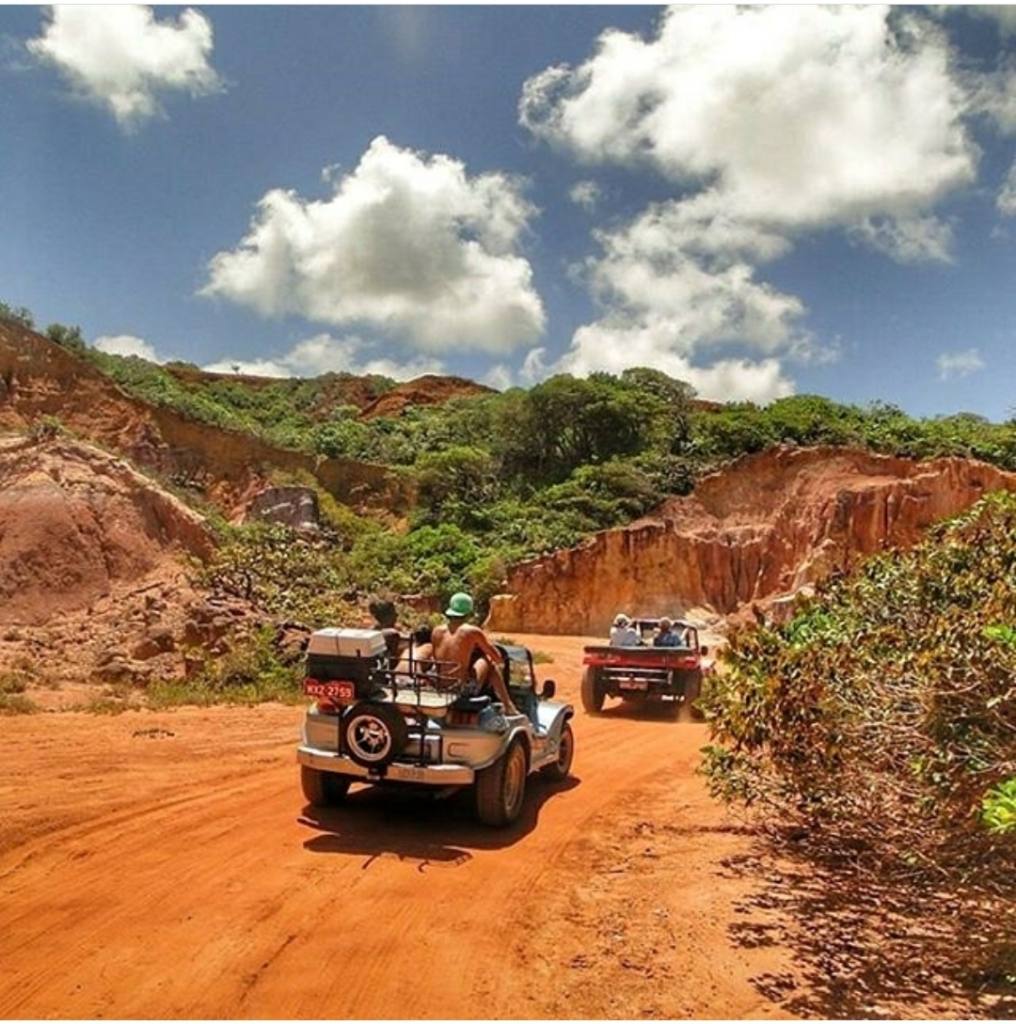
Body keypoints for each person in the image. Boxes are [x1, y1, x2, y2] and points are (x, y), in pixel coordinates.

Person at [429, 592, 517, 713]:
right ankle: (508, 705)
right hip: (461, 690)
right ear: (469, 612)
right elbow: (497, 657)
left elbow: (437, 657)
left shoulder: (436, 631)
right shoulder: (472, 631)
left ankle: (507, 705)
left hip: (439, 685)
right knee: (489, 662)